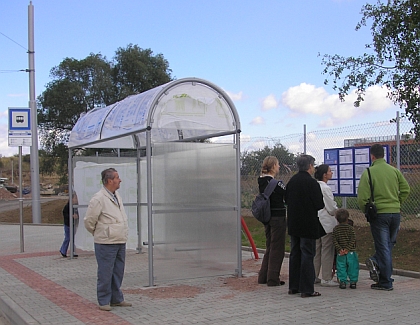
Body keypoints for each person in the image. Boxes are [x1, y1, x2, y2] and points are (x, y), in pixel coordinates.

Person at [357, 144, 410, 291]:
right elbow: (406, 189)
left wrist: (366, 210)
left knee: (383, 246)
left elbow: (362, 197)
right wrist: (398, 202)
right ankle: (377, 263)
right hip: (395, 213)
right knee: (389, 244)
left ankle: (385, 281)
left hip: (379, 214)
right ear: (383, 155)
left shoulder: (369, 172)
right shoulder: (394, 171)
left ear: (372, 156)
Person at [84, 168, 132, 311]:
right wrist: (101, 233)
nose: (120, 180)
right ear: (110, 180)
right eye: (117, 177)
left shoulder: (116, 195)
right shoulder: (98, 198)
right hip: (106, 242)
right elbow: (89, 221)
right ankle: (104, 300)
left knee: (118, 271)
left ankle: (116, 299)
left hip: (119, 240)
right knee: (105, 272)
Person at [285, 154, 325, 298]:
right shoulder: (312, 183)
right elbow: (319, 204)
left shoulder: (292, 181)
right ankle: (307, 288)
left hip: (294, 223)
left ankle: (293, 286)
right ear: (309, 166)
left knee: (295, 254)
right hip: (308, 224)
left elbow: (286, 199)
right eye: (313, 165)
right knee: (308, 254)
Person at [257, 156, 287, 287]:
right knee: (277, 248)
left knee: (269, 246)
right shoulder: (277, 184)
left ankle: (263, 276)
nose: (279, 167)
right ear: (274, 166)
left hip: (267, 217)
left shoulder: (261, 181)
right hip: (278, 217)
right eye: (278, 164)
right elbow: (286, 196)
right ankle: (273, 278)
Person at [313, 164, 338, 287]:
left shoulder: (314, 186)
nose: (331, 172)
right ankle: (326, 278)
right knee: (327, 250)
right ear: (324, 175)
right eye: (329, 171)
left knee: (316, 250)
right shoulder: (325, 188)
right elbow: (331, 208)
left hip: (316, 220)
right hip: (326, 222)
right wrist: (337, 210)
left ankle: (314, 275)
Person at [332, 208, 359, 289]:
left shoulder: (336, 229)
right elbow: (353, 239)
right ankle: (353, 281)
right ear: (347, 218)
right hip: (350, 251)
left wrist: (340, 249)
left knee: (341, 267)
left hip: (340, 253)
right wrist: (347, 248)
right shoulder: (350, 229)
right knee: (353, 267)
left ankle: (342, 281)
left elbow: (334, 240)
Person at [60, 193, 79, 258]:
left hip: (73, 224)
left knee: (74, 239)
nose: (76, 200)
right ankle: (63, 251)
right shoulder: (67, 206)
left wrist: (77, 216)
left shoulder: (76, 206)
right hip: (68, 225)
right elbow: (65, 215)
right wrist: (71, 216)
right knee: (68, 238)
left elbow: (78, 214)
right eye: (75, 198)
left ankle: (73, 251)